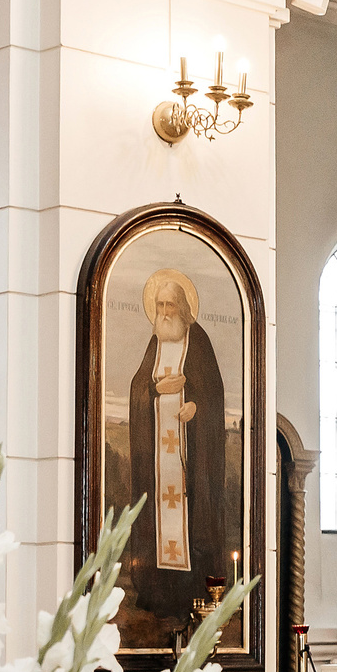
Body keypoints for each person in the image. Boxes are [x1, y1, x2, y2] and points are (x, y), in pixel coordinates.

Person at [124, 268, 230, 647]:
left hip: (190, 460)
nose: (165, 311)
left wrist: (195, 408)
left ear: (185, 309)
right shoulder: (155, 343)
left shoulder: (197, 342)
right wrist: (155, 390)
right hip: (157, 461)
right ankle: (158, 596)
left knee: (191, 524)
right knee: (158, 520)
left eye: (171, 304)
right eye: (160, 304)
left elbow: (215, 395)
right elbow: (138, 389)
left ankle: (193, 598)